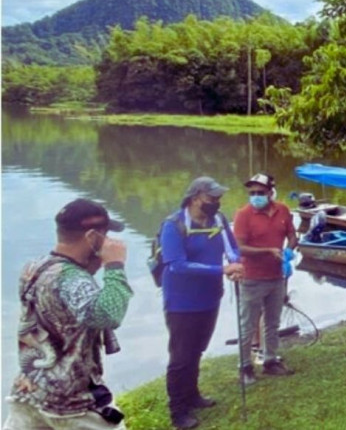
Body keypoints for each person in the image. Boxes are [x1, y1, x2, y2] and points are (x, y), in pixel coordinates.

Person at [4, 199, 132, 430]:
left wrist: (90, 266)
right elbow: (108, 315)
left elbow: (63, 312)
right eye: (105, 235)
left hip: (29, 392)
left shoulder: (34, 267)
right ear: (92, 236)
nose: (109, 241)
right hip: (72, 404)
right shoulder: (72, 278)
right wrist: (114, 266)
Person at [162, 177, 244, 430]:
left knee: (197, 350)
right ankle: (178, 411)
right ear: (195, 197)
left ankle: (193, 395)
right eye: (212, 198)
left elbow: (232, 249)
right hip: (181, 302)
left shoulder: (218, 220)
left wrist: (236, 265)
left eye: (219, 198)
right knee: (180, 357)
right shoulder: (173, 225)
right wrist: (221, 269)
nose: (217, 202)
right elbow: (177, 265)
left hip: (210, 298)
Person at [233, 173, 297, 385]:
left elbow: (292, 235)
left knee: (272, 322)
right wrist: (268, 251)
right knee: (248, 325)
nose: (256, 196)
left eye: (260, 192)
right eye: (252, 193)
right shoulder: (243, 215)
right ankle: (244, 366)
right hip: (252, 277)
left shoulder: (283, 210)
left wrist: (289, 251)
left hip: (277, 276)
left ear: (270, 192)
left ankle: (270, 360)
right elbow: (240, 248)